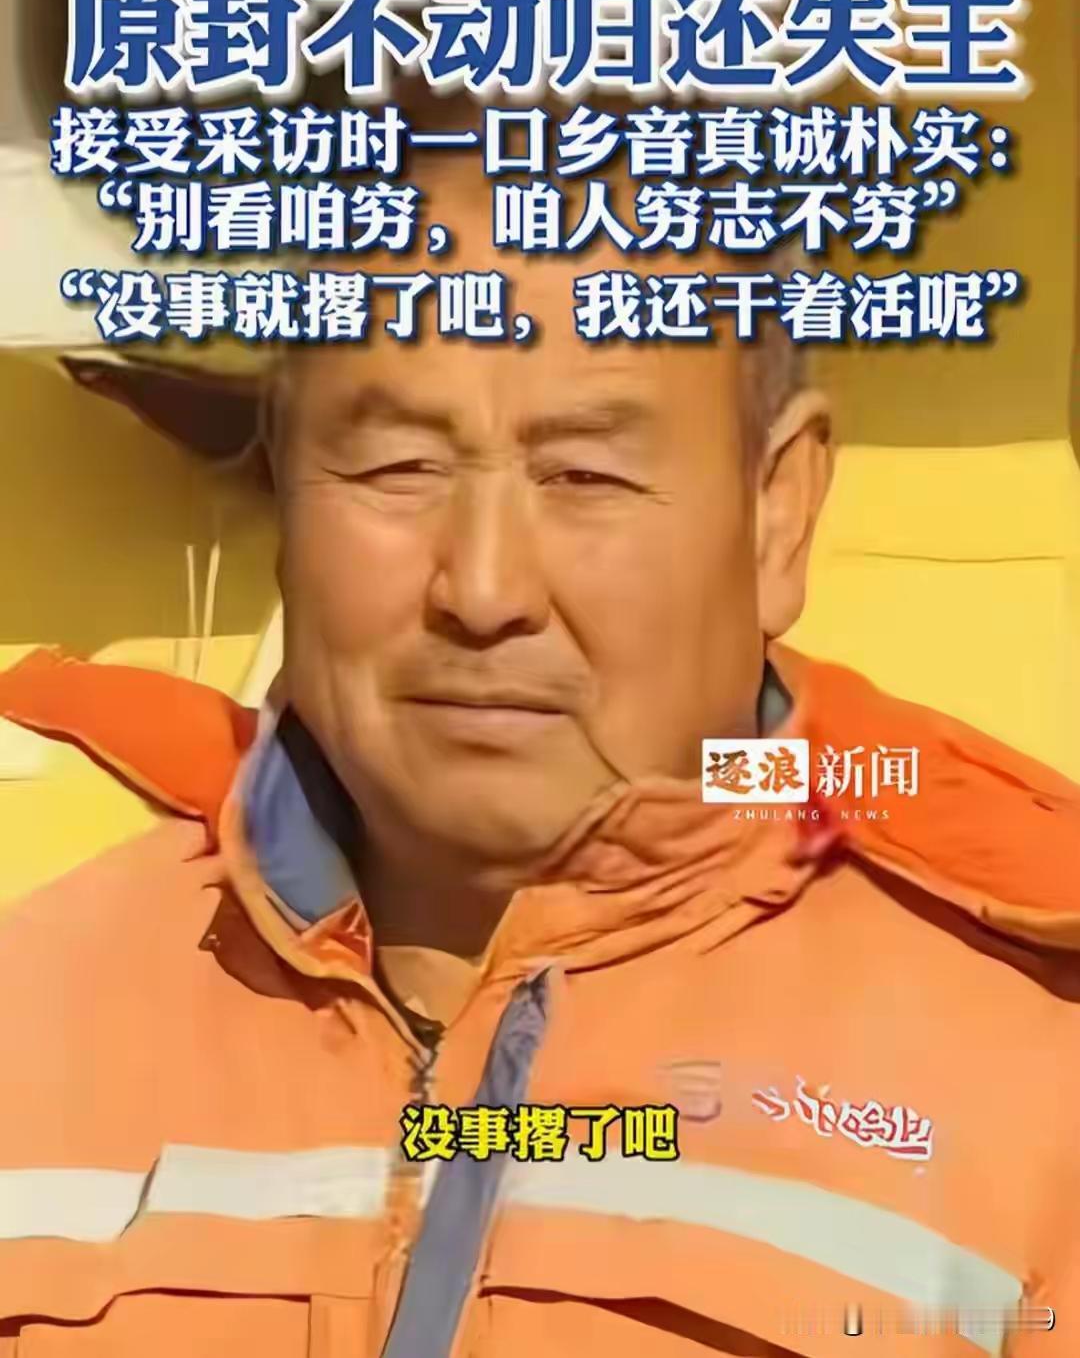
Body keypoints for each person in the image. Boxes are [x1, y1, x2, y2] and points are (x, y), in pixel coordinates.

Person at [0, 137, 1078, 1358]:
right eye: (397, 466)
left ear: (776, 515)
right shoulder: (35, 1011)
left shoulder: (1038, 1094)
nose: (484, 588)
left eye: (586, 474)